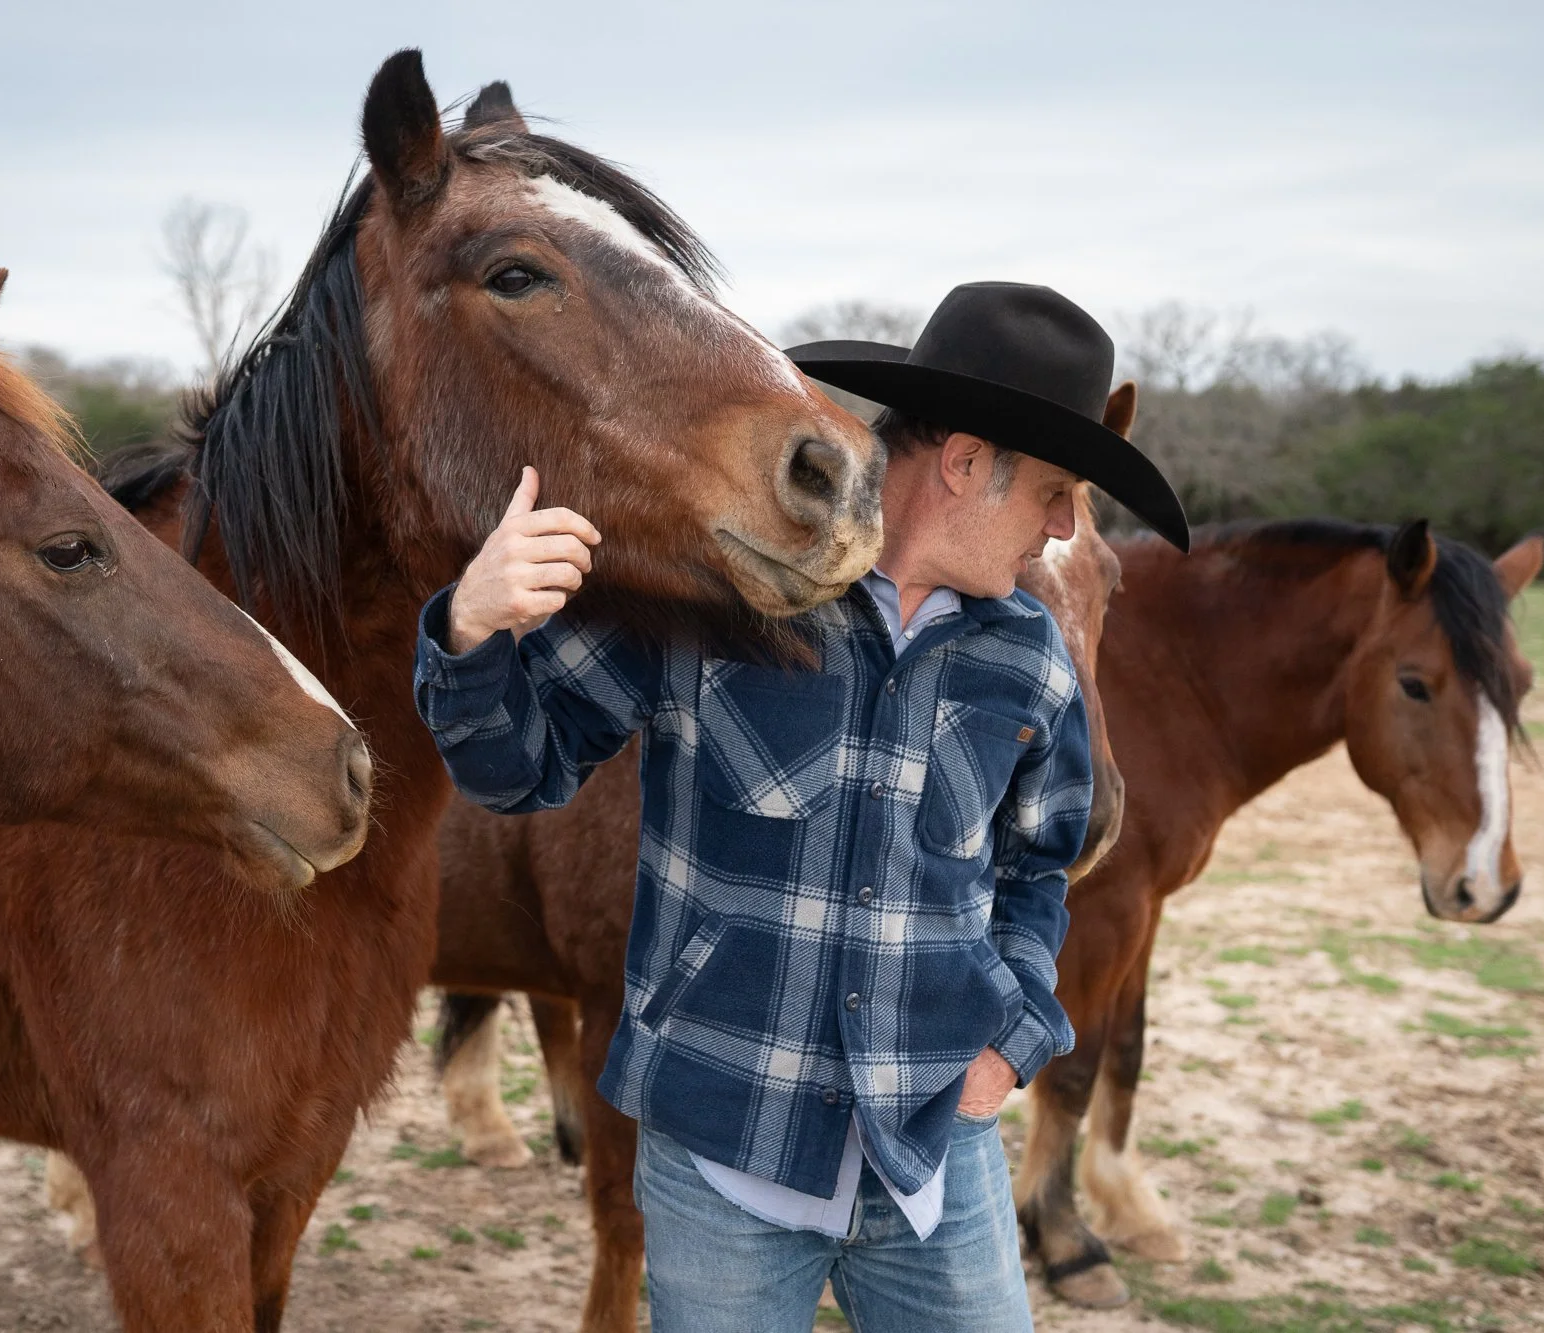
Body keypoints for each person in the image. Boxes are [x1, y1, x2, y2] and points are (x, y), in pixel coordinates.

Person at [412, 282, 1188, 1332]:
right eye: (1052, 490)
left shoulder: (1028, 656)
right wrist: (471, 627)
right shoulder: (712, 597)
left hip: (935, 1157)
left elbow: (1037, 868)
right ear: (961, 463)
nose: (1063, 525)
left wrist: (1011, 1036)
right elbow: (516, 772)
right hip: (723, 1163)